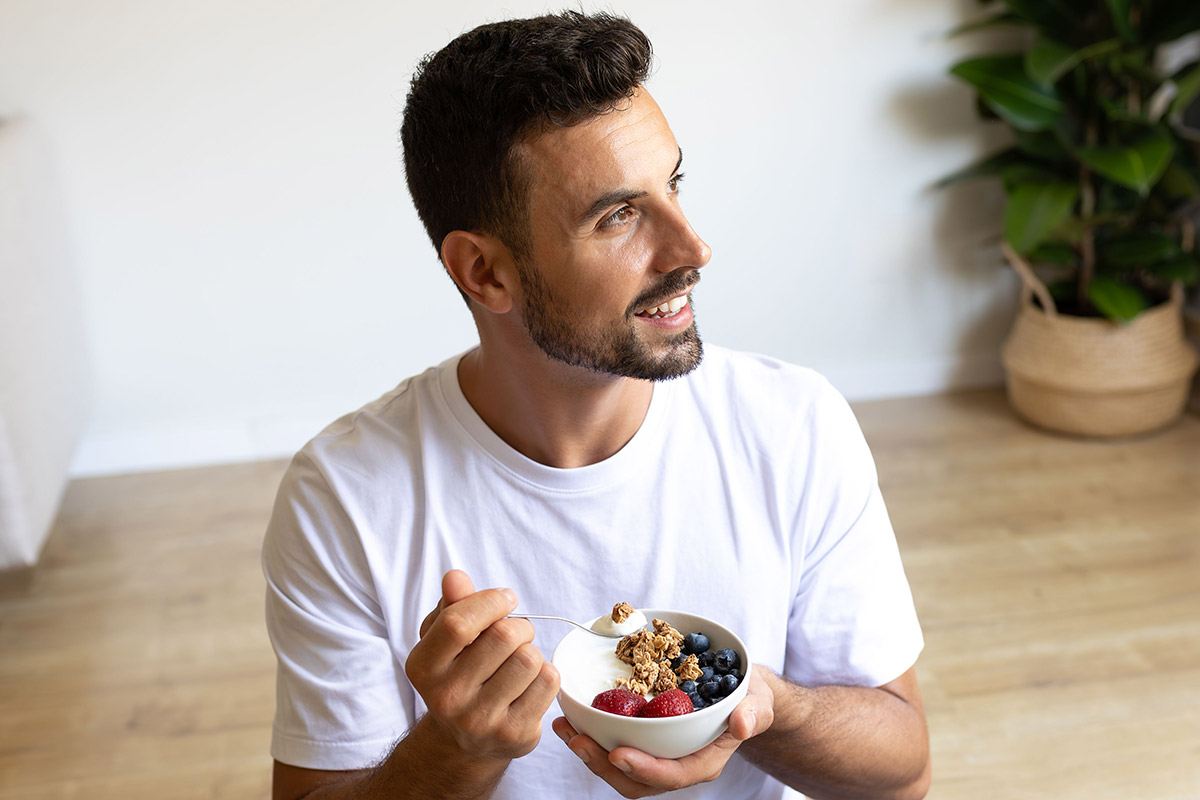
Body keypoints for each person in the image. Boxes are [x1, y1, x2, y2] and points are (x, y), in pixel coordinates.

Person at [262, 10, 930, 800]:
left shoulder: (794, 425)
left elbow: (904, 775)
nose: (691, 250)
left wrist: (765, 705)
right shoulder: (345, 496)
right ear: (483, 273)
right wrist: (457, 751)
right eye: (617, 216)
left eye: (672, 184)